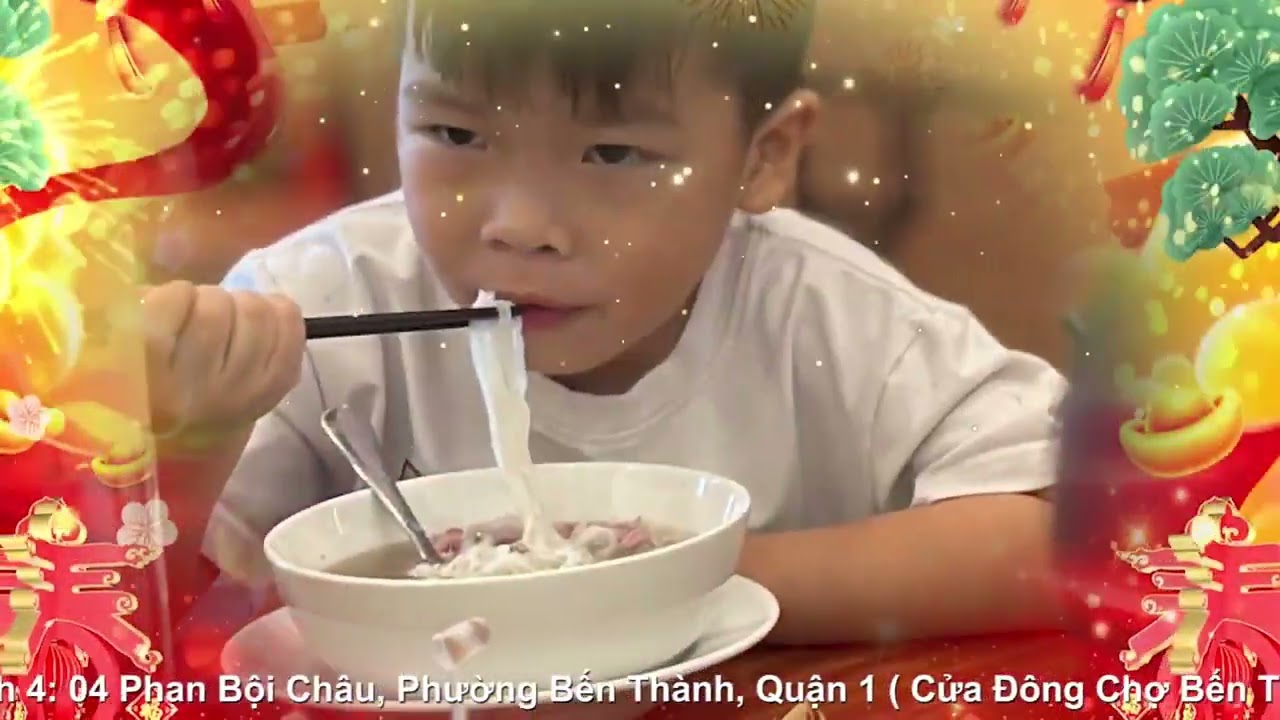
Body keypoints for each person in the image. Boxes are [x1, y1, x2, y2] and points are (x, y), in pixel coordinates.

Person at [147, 0, 1065, 645]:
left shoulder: (829, 315)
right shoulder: (317, 298)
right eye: (456, 136)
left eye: (614, 152)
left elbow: (1059, 536)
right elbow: (135, 614)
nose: (521, 226)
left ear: (763, 156)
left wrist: (656, 587)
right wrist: (187, 442)